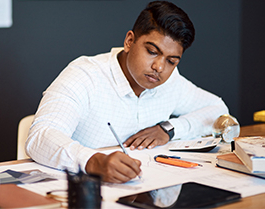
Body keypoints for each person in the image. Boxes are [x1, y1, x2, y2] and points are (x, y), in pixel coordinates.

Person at [25, 1, 229, 183]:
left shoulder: (170, 81)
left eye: (171, 61)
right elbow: (40, 137)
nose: (159, 67)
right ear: (129, 41)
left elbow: (218, 110)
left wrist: (169, 129)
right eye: (152, 52)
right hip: (85, 193)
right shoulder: (85, 74)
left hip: (145, 192)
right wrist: (93, 161)